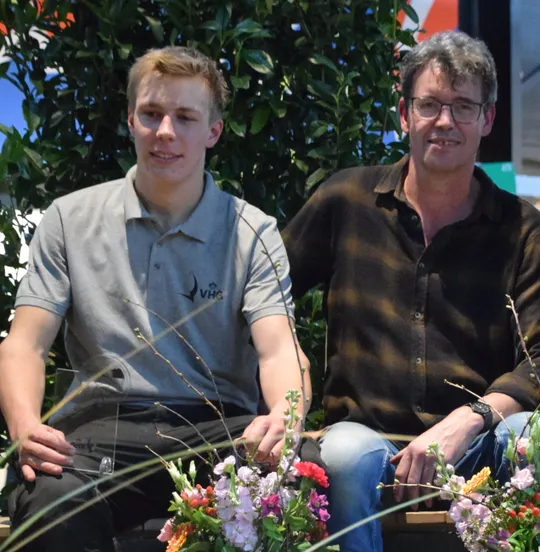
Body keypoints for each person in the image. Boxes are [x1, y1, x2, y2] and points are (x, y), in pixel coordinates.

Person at [0, 46, 312, 551]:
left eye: (185, 117)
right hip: (99, 432)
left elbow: (279, 350)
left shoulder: (253, 231)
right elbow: (24, 345)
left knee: (298, 479)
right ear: (131, 120)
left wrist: (285, 420)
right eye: (151, 114)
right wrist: (25, 427)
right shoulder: (68, 219)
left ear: (213, 132)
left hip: (216, 432)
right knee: (49, 497)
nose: (165, 131)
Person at [281, 30, 540, 552]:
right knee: (342, 457)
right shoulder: (345, 200)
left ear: (488, 119)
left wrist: (470, 419)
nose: (445, 121)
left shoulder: (524, 230)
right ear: (404, 114)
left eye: (463, 106)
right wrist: (286, 376)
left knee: (536, 439)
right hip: (368, 442)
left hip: (477, 441)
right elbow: (266, 299)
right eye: (430, 104)